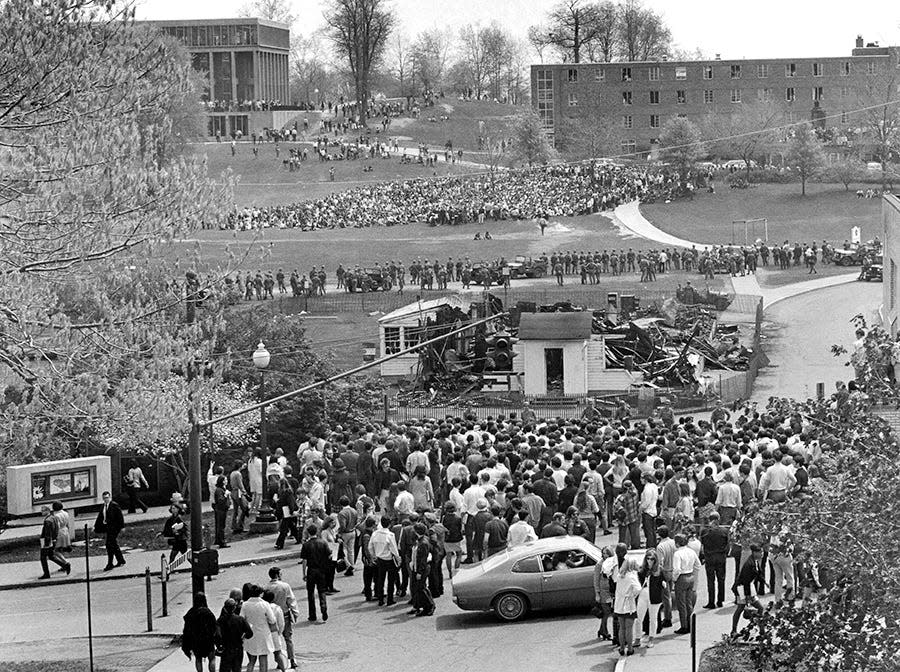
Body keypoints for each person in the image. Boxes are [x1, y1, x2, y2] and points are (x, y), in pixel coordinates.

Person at [266, 567, 300, 670]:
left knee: (276, 639)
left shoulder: (266, 587)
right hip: (284, 614)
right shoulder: (285, 586)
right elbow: (291, 600)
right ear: (277, 575)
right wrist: (295, 613)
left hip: (271, 615)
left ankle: (278, 660)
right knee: (288, 638)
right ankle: (292, 659)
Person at [731, 543, 766, 635]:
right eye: (760, 552)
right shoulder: (748, 564)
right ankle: (734, 630)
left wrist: (764, 582)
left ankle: (762, 630)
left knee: (760, 608)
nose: (762, 554)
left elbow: (758, 573)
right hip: (742, 588)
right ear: (754, 553)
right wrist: (747, 596)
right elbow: (745, 581)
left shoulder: (755, 561)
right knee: (740, 608)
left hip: (749, 586)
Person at [241, 584, 277, 672]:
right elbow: (272, 620)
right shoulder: (265, 604)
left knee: (252, 660)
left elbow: (242, 619)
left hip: (250, 634)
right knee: (263, 659)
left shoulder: (245, 605)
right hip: (263, 634)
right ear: (260, 593)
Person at [299, 524, 331, 622]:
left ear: (308, 533)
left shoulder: (306, 545)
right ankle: (323, 607)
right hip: (321, 570)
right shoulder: (323, 543)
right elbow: (329, 556)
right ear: (317, 532)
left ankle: (312, 614)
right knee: (322, 591)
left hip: (311, 570)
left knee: (310, 593)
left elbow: (304, 560)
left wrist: (303, 573)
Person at [635, 549, 665, 648]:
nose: (649, 560)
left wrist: (663, 584)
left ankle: (651, 638)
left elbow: (663, 582)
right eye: (648, 558)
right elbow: (638, 580)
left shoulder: (659, 570)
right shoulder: (642, 569)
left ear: (655, 560)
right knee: (638, 618)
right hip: (644, 594)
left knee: (653, 618)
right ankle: (637, 638)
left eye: (652, 559)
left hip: (655, 596)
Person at [369, 515, 401, 606]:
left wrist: (374, 555)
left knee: (380, 580)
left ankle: (380, 599)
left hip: (380, 559)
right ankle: (390, 599)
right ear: (389, 524)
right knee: (391, 580)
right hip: (389, 559)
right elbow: (394, 549)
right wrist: (398, 558)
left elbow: (370, 546)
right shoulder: (390, 535)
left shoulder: (375, 534)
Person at [671, 534, 701, 634]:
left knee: (681, 603)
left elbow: (677, 569)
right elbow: (698, 564)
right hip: (690, 575)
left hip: (682, 577)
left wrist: (674, 579)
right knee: (689, 602)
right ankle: (690, 623)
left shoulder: (677, 554)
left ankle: (684, 626)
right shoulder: (691, 551)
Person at [181, 593, 218, 672]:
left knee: (198, 659)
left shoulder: (191, 612)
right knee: (211, 658)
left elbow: (187, 629)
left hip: (196, 640)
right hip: (208, 640)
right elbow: (214, 626)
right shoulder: (208, 612)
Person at [699, 511, 730, 608]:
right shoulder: (724, 531)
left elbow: (702, 545)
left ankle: (711, 602)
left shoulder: (704, 532)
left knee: (710, 580)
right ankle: (720, 600)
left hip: (710, 557)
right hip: (721, 557)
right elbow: (728, 545)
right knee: (721, 579)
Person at [614, 557, 641, 657]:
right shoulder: (631, 576)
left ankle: (621, 648)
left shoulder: (619, 576)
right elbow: (638, 588)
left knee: (622, 628)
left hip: (619, 604)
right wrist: (633, 595)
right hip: (628, 604)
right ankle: (630, 648)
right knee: (629, 628)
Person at [217, 598, 253, 672]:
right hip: (238, 648)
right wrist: (243, 636)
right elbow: (250, 633)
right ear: (234, 608)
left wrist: (219, 646)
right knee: (237, 668)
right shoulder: (240, 619)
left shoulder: (220, 620)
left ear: (225, 608)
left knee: (224, 669)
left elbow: (217, 635)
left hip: (226, 648)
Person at [409, 523, 436, 616]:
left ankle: (430, 605)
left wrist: (420, 572)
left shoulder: (423, 543)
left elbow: (423, 559)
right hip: (416, 566)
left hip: (422, 568)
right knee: (418, 588)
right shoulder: (420, 540)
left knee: (421, 588)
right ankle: (418, 606)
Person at [94, 490, 126, 570]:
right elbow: (100, 517)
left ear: (110, 497)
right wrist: (95, 526)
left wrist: (122, 526)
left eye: (107, 498)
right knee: (113, 544)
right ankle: (121, 560)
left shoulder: (114, 505)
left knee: (109, 545)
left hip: (115, 528)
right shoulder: (103, 506)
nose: (106, 499)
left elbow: (120, 516)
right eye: (104, 498)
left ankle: (110, 563)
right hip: (108, 528)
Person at [39, 504, 70, 578]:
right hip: (53, 540)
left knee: (43, 557)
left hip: (47, 541)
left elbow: (47, 533)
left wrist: (46, 543)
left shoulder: (47, 521)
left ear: (48, 511)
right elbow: (56, 529)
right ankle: (65, 565)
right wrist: (54, 539)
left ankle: (46, 574)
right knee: (51, 556)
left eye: (43, 511)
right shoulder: (53, 518)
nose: (41, 512)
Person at [593, 545, 616, 640]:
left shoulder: (613, 562)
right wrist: (597, 593)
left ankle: (601, 630)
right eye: (603, 553)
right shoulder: (599, 564)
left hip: (611, 590)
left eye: (606, 553)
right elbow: (596, 580)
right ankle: (604, 631)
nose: (604, 555)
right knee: (606, 612)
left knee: (609, 611)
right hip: (603, 591)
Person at [212, 476, 230, 549]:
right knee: (221, 526)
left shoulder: (221, 489)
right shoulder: (219, 490)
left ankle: (219, 540)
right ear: (222, 481)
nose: (226, 481)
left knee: (220, 525)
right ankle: (222, 542)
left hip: (222, 509)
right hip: (221, 510)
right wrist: (225, 495)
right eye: (225, 480)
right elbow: (220, 500)